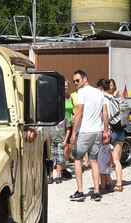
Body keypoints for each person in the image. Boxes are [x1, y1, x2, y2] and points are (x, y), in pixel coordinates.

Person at [69, 70, 109, 202]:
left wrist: (73, 133)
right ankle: (96, 191)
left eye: (77, 80)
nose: (75, 83)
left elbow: (79, 114)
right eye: (74, 81)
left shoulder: (82, 92)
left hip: (85, 131)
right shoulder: (99, 92)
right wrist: (105, 130)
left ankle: (80, 191)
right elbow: (105, 114)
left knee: (77, 159)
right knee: (94, 160)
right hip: (97, 130)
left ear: (85, 78)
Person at [104, 79, 125, 191]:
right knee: (116, 159)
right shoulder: (119, 96)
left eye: (111, 85)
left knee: (111, 159)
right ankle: (119, 183)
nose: (110, 87)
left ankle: (110, 182)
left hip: (113, 130)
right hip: (121, 129)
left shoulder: (109, 98)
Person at [49, 78, 71, 183]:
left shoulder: (70, 97)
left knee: (60, 157)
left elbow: (68, 129)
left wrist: (65, 140)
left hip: (62, 134)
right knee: (51, 157)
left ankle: (59, 174)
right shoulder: (51, 115)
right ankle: (51, 175)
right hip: (52, 139)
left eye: (67, 86)